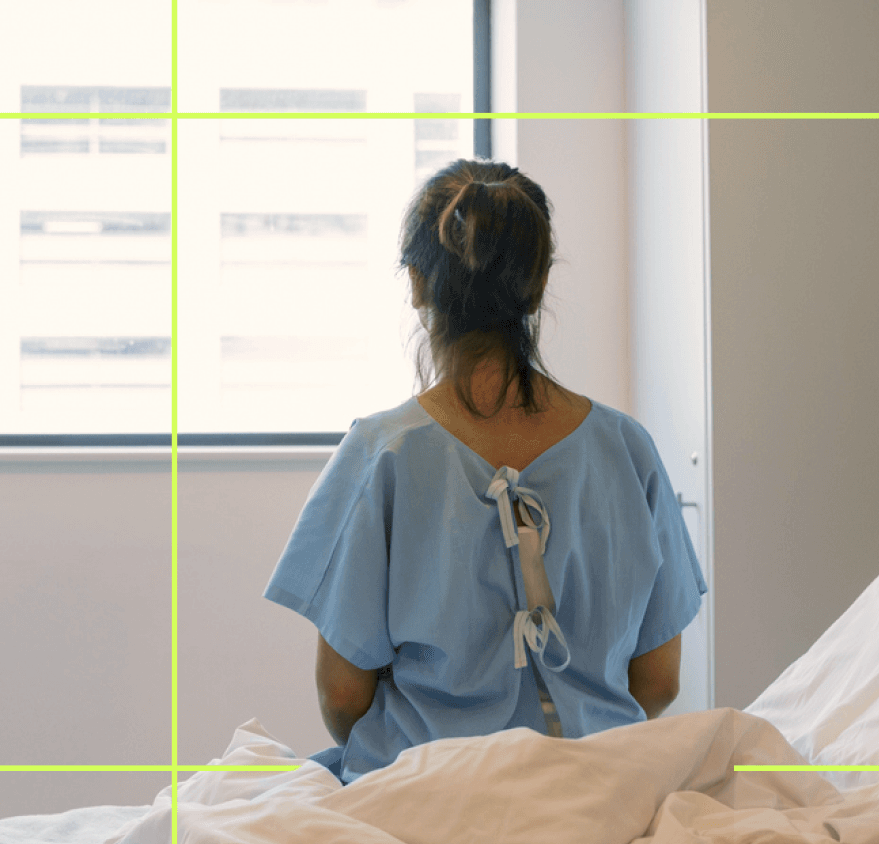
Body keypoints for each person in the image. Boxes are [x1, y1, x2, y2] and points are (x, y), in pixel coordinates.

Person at [264, 158, 705, 780]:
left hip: (427, 794)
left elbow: (342, 697)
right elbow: (658, 682)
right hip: (596, 792)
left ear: (417, 284)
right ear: (539, 282)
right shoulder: (628, 450)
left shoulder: (378, 454)